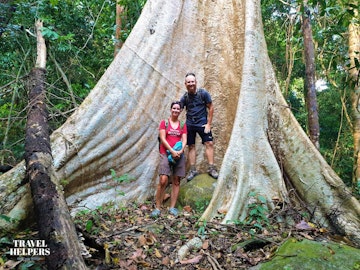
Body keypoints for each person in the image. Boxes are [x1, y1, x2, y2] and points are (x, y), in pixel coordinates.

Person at [151, 101, 187, 218]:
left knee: (176, 180)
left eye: (178, 109)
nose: (176, 110)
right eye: (174, 108)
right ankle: (157, 207)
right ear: (171, 109)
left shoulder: (182, 124)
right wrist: (172, 151)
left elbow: (184, 139)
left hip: (178, 154)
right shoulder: (164, 123)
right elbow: (162, 138)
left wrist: (180, 151)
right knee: (163, 179)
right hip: (165, 153)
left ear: (180, 111)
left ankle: (172, 207)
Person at [180, 72, 219, 181]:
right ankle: (193, 169)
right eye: (188, 82)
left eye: (192, 81)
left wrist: (209, 124)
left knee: (209, 143)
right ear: (185, 84)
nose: (191, 84)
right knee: (191, 146)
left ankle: (211, 168)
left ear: (196, 82)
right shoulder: (185, 97)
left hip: (202, 122)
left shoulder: (203, 93)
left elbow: (211, 107)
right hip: (190, 124)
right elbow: (179, 108)